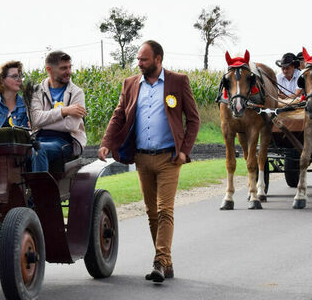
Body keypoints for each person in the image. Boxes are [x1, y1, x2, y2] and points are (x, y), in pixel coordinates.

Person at [98, 40, 200, 284]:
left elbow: (193, 120)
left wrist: (185, 150)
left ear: (158, 59)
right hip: (142, 157)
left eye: (144, 59)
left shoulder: (178, 81)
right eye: (138, 59)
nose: (139, 63)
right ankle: (167, 262)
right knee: (152, 213)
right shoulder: (131, 84)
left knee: (165, 210)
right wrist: (106, 141)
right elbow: (118, 115)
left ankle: (159, 262)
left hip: (169, 158)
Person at [28, 50, 87, 172]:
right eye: (63, 68)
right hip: (37, 138)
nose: (69, 72)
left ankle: (41, 190)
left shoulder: (77, 92)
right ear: (49, 69)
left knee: (39, 149)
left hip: (64, 141)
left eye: (70, 67)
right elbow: (35, 119)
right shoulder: (36, 91)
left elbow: (71, 125)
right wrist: (64, 111)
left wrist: (42, 122)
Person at [0, 60, 31, 129]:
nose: (19, 79)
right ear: (2, 80)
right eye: (15, 76)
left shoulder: (26, 104)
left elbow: (26, 134)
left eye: (20, 76)